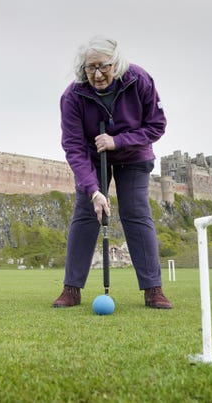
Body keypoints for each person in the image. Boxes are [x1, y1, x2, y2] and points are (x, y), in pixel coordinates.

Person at [52, 37, 173, 309]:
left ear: (116, 64)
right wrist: (94, 191)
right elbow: (73, 146)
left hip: (134, 154)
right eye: (89, 68)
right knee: (85, 215)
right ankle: (71, 289)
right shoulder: (72, 96)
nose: (96, 74)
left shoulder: (139, 80)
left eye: (102, 66)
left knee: (136, 213)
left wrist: (118, 141)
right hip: (93, 158)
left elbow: (156, 125)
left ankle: (153, 289)